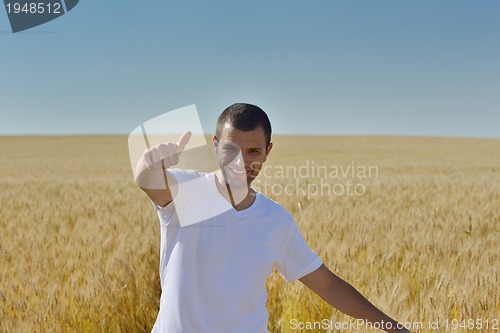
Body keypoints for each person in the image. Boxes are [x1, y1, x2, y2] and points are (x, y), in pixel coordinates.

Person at [134, 103, 415, 333]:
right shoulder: (186, 193)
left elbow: (327, 285)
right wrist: (149, 162)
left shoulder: (275, 220)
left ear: (268, 151)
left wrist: (396, 329)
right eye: (230, 150)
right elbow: (147, 179)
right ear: (216, 145)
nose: (240, 163)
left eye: (253, 151)